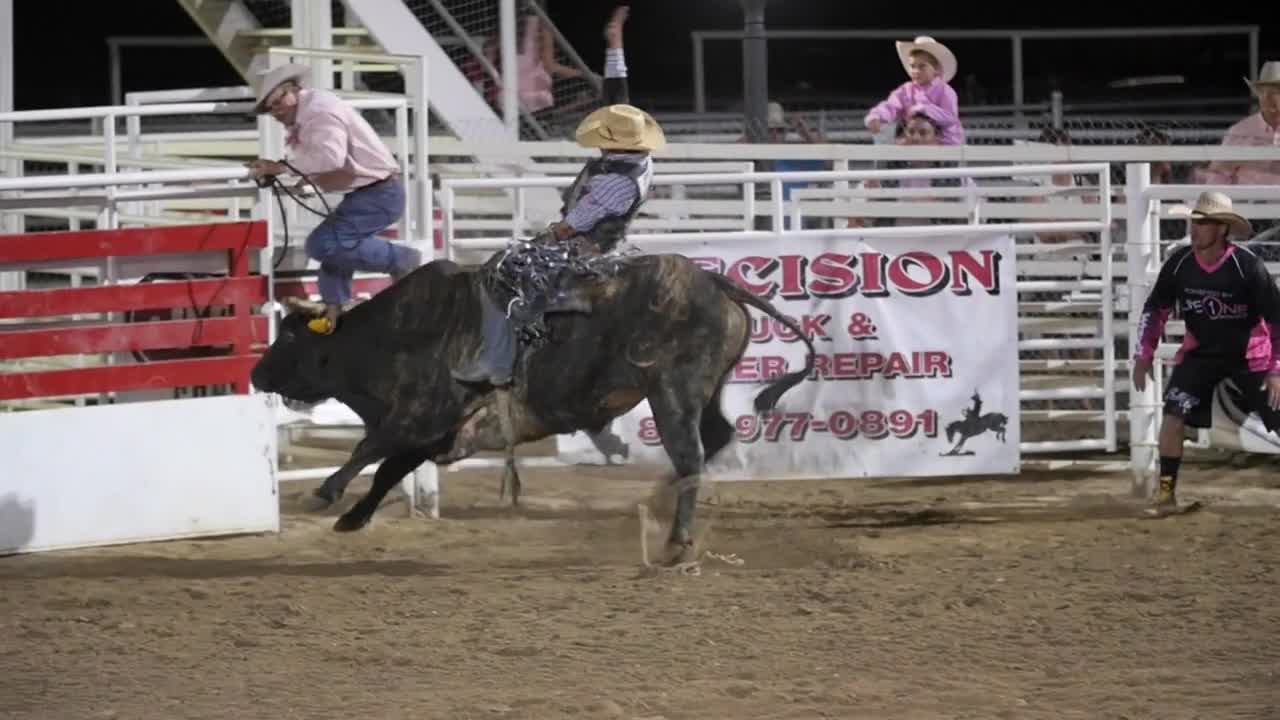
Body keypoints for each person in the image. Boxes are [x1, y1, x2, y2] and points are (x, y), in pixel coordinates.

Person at [453, 4, 666, 387]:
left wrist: (543, 236)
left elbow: (572, 226)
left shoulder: (614, 180)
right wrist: (615, 43)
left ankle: (501, 363)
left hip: (584, 248)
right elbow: (617, 92)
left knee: (497, 276)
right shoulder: (635, 160)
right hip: (593, 240)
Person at [1132, 191, 1280, 512]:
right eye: (1194, 220)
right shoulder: (1181, 264)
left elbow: (1276, 317)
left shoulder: (1247, 267)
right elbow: (1155, 310)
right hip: (1201, 354)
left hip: (1251, 355)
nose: (1195, 227)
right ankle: (1165, 494)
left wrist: (1275, 369)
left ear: (1222, 229)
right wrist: (1143, 354)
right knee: (1173, 414)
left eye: (1203, 222)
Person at [246, 63, 422, 335]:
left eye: (276, 103)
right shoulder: (314, 109)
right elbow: (330, 159)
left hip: (377, 194)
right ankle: (333, 312)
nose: (275, 112)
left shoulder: (318, 112)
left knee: (323, 243)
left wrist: (281, 168)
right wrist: (300, 178)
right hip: (374, 192)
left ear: (291, 92)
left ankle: (402, 258)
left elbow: (330, 157)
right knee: (334, 247)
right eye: (270, 108)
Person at [864, 36, 964, 146]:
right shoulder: (906, 90)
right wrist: (876, 116)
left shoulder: (946, 91)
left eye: (922, 66)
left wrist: (924, 109)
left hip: (945, 145)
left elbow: (950, 117)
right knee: (890, 142)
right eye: (912, 66)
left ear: (936, 69)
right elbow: (891, 106)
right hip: (913, 143)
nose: (916, 71)